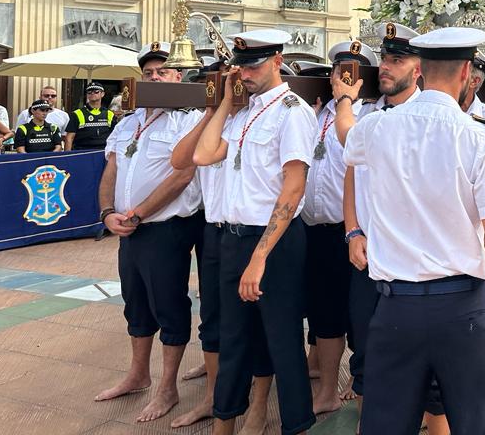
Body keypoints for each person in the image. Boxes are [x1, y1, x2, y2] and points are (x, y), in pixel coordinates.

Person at [343, 26, 485, 434]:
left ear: (421, 71)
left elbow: (348, 138)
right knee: (477, 425)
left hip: (395, 307)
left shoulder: (377, 128)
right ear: (467, 72)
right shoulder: (483, 138)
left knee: (384, 426)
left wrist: (344, 100)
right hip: (464, 310)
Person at [192, 29, 318, 435]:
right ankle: (224, 424)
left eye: (254, 64)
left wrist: (260, 257)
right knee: (233, 340)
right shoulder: (243, 113)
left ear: (277, 61)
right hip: (232, 237)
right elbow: (203, 154)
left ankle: (295, 424)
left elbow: (293, 186)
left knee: (283, 341)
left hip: (273, 243)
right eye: (241, 65)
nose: (245, 72)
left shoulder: (293, 111)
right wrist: (227, 100)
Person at [338, 23, 448, 434]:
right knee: (366, 346)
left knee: (430, 366)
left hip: (418, 260)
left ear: (418, 70)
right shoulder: (368, 115)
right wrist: (352, 230)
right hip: (370, 253)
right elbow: (352, 171)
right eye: (384, 59)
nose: (385, 68)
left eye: (397, 60)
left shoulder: (432, 119)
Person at [94, 42, 201, 423]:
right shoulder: (127, 122)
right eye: (149, 73)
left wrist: (138, 213)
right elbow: (111, 169)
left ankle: (167, 387)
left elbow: (183, 174)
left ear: (178, 77)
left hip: (166, 228)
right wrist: (108, 212)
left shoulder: (189, 121)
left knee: (169, 305)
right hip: (127, 229)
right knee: (135, 303)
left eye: (163, 72)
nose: (155, 78)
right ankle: (138, 375)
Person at [167, 58, 274, 432]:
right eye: (228, 81)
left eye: (240, 78)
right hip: (214, 230)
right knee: (214, 321)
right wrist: (212, 110)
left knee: (257, 325)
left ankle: (259, 404)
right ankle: (217, 399)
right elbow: (181, 160)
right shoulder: (217, 118)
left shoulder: (257, 118)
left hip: (250, 230)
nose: (238, 84)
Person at [303, 40, 376, 416]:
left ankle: (360, 383)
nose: (343, 77)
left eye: (353, 71)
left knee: (361, 315)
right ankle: (328, 387)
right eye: (338, 70)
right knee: (324, 312)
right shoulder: (318, 112)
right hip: (315, 227)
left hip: (354, 230)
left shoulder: (372, 114)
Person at [65, 82, 117, 151]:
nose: (92, 93)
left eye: (96, 92)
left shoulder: (110, 114)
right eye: (89, 92)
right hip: (82, 152)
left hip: (103, 152)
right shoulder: (77, 114)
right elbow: (69, 138)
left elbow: (115, 136)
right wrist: (67, 158)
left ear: (102, 94)